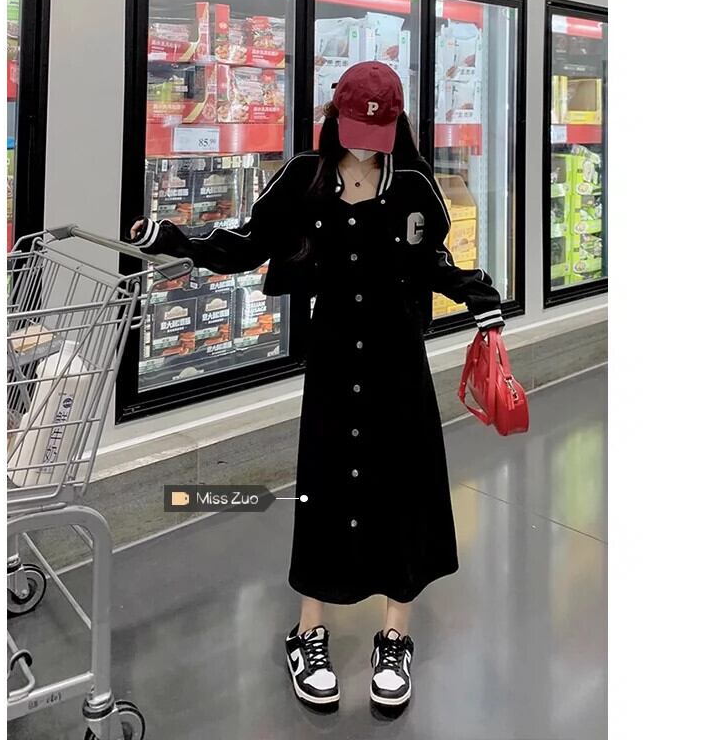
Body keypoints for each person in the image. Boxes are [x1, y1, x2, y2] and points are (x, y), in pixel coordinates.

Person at [128, 61, 504, 713]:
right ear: (335, 118)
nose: (367, 143)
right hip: (333, 362)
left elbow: (432, 262)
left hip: (398, 363)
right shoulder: (304, 178)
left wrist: (477, 295)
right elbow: (248, 243)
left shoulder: (413, 185)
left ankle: (395, 637)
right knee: (326, 489)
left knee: (403, 490)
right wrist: (174, 239)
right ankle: (308, 634)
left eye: (379, 130)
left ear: (396, 125)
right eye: (356, 128)